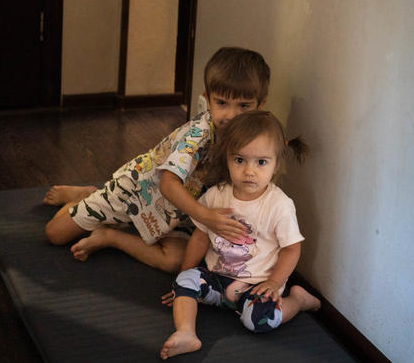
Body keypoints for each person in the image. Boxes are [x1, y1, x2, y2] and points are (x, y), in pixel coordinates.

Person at [43, 47, 270, 272]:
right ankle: (87, 195)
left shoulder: (257, 138)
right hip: (138, 191)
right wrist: (206, 216)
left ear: (260, 104)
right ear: (207, 99)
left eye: (243, 106)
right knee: (55, 233)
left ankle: (110, 236)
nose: (231, 116)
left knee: (177, 261)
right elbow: (167, 183)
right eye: (222, 103)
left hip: (180, 213)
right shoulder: (198, 135)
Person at [160, 111, 321, 359]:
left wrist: (275, 284)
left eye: (261, 162)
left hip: (255, 287)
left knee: (260, 320)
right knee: (184, 280)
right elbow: (200, 237)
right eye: (239, 160)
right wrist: (184, 275)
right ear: (227, 159)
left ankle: (298, 301)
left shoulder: (279, 205)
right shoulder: (217, 195)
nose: (249, 171)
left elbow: (292, 248)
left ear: (276, 164)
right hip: (216, 280)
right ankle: (186, 333)